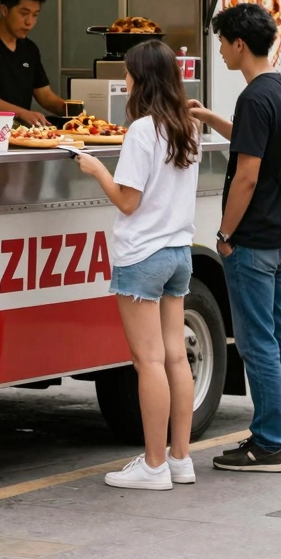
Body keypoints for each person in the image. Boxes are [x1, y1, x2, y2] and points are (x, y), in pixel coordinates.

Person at [75, 40, 199, 490]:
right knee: (174, 359)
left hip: (142, 255)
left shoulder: (142, 131)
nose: (123, 80)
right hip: (179, 253)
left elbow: (128, 202)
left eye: (127, 73)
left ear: (141, 79)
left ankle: (153, 466)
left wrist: (96, 170)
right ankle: (179, 458)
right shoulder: (186, 125)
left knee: (146, 362)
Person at [188, 3, 281, 473]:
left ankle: (268, 444)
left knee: (256, 342)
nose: (219, 50)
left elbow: (247, 176)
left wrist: (224, 233)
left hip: (252, 238)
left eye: (221, 41)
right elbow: (256, 140)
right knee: (280, 336)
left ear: (239, 44)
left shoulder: (254, 97)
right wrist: (209, 116)